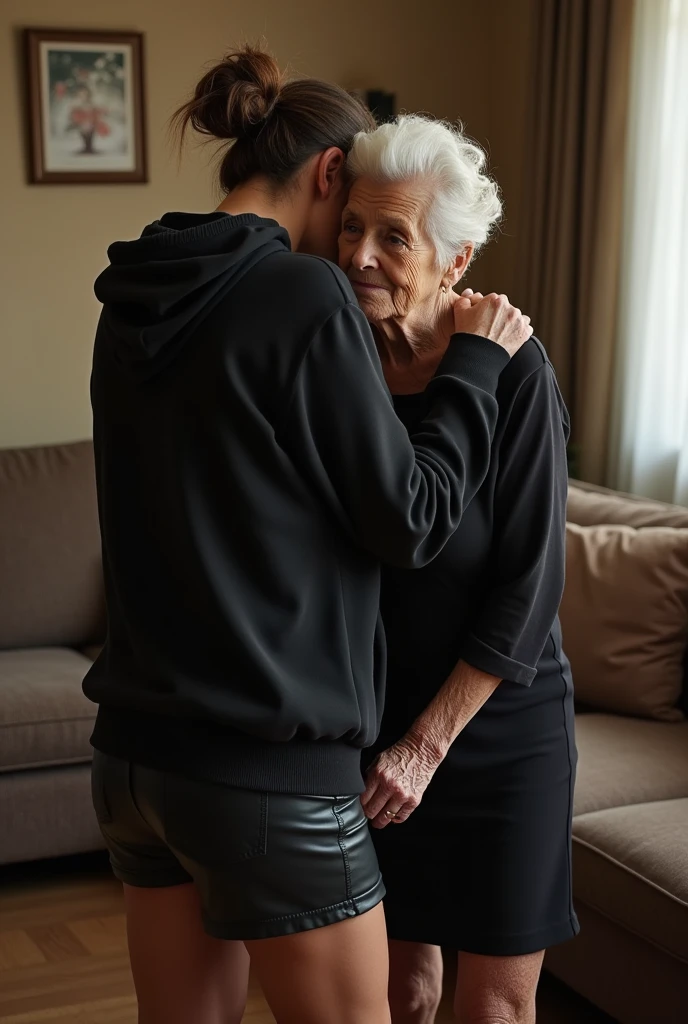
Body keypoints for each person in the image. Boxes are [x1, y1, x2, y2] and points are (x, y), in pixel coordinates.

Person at [83, 49, 532, 1024]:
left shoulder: (131, 299)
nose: (353, 252)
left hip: (130, 761)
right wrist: (471, 373)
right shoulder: (300, 293)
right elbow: (411, 519)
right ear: (328, 173)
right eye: (354, 213)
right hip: (262, 773)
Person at [337, 114, 578, 1024]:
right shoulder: (343, 363)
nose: (360, 254)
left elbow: (532, 583)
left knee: (493, 1010)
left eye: (394, 236)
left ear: (457, 259)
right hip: (377, 722)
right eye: (352, 226)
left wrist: (426, 746)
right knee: (402, 990)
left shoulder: (514, 372)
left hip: (495, 731)